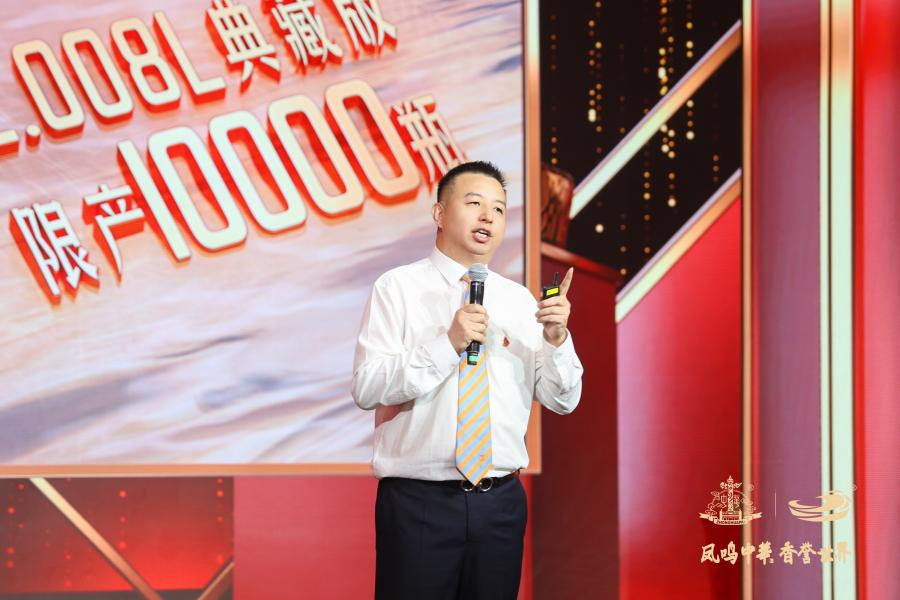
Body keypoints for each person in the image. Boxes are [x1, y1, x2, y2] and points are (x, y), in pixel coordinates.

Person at [351, 160, 583, 600]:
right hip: (419, 505)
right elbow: (367, 387)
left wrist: (557, 339)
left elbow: (562, 399)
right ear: (439, 214)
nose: (487, 218)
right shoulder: (397, 289)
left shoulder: (519, 301)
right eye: (474, 203)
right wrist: (448, 344)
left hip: (500, 504)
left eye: (498, 209)